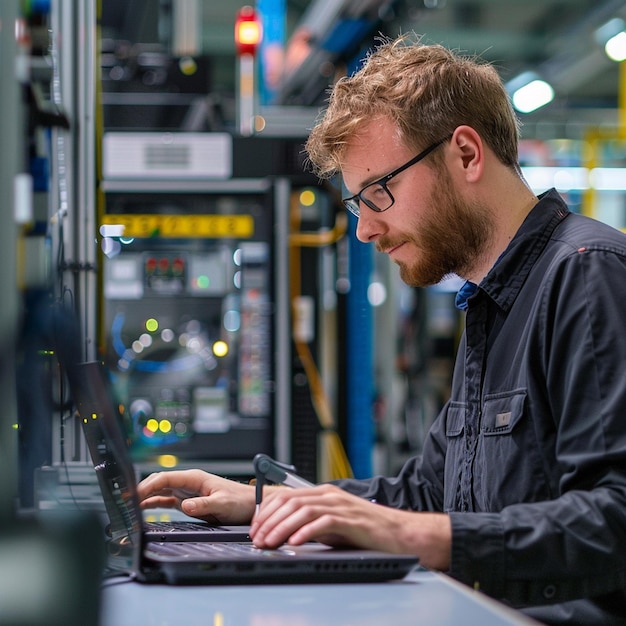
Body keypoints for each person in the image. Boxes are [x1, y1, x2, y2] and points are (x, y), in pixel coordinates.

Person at [137, 34, 626, 624]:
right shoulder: (493, 305)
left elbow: (614, 520)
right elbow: (427, 494)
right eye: (357, 203)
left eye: (378, 193)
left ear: (466, 154)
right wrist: (266, 503)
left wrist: (411, 534)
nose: (365, 230)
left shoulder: (586, 275)